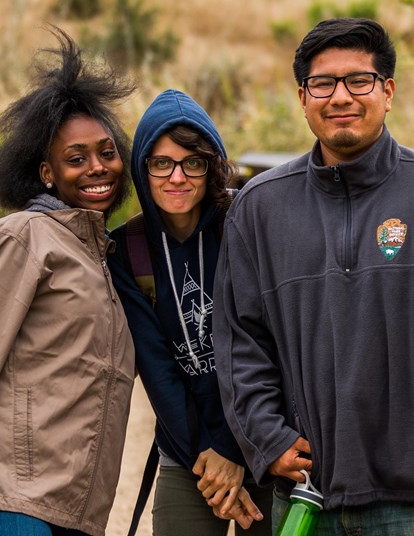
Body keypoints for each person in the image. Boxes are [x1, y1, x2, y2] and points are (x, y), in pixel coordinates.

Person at [211, 17, 414, 535]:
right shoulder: (259, 208)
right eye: (324, 83)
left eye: (358, 81)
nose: (341, 96)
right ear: (302, 96)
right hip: (305, 494)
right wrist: (267, 437)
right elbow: (239, 340)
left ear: (388, 92)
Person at [108, 89, 271, 535]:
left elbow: (270, 345)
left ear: (211, 165)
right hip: (190, 452)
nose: (176, 176)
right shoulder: (128, 250)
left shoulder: (243, 223)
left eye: (192, 162)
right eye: (161, 162)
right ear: (143, 168)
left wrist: (235, 450)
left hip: (267, 438)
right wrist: (211, 458)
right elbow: (158, 369)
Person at [0, 28, 135, 536]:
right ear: (47, 173)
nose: (97, 168)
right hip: (19, 505)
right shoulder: (25, 236)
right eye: (76, 159)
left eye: (106, 152)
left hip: (79, 512)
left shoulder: (102, 255)